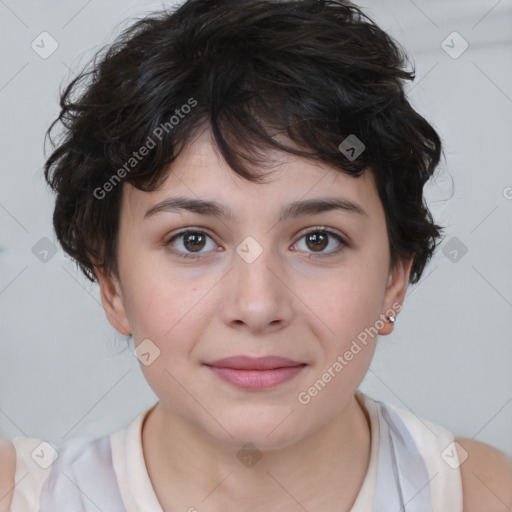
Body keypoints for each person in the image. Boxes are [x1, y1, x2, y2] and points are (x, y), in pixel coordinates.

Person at [1, 0, 511, 510]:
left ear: (393, 281)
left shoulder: (485, 496)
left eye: (318, 239)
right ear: (111, 283)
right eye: (193, 240)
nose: (258, 306)